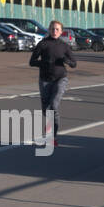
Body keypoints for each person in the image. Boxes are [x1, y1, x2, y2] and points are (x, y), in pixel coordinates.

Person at [29, 19, 76, 148]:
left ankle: (52, 137)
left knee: (54, 105)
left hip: (60, 79)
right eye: (52, 29)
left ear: (61, 32)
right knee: (46, 109)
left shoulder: (64, 46)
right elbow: (32, 61)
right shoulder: (43, 44)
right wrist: (43, 63)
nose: (54, 31)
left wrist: (66, 60)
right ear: (49, 30)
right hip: (44, 79)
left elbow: (74, 63)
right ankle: (49, 126)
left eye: (57, 29)